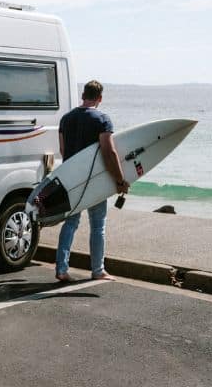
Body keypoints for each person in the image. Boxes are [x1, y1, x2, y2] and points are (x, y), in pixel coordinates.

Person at [56, 80, 129, 282]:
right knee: (98, 225)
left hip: (71, 179)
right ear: (100, 98)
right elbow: (109, 151)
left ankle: (61, 269)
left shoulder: (65, 119)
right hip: (93, 181)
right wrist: (120, 180)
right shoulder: (102, 119)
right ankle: (98, 270)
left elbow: (63, 151)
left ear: (83, 95)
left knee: (70, 223)